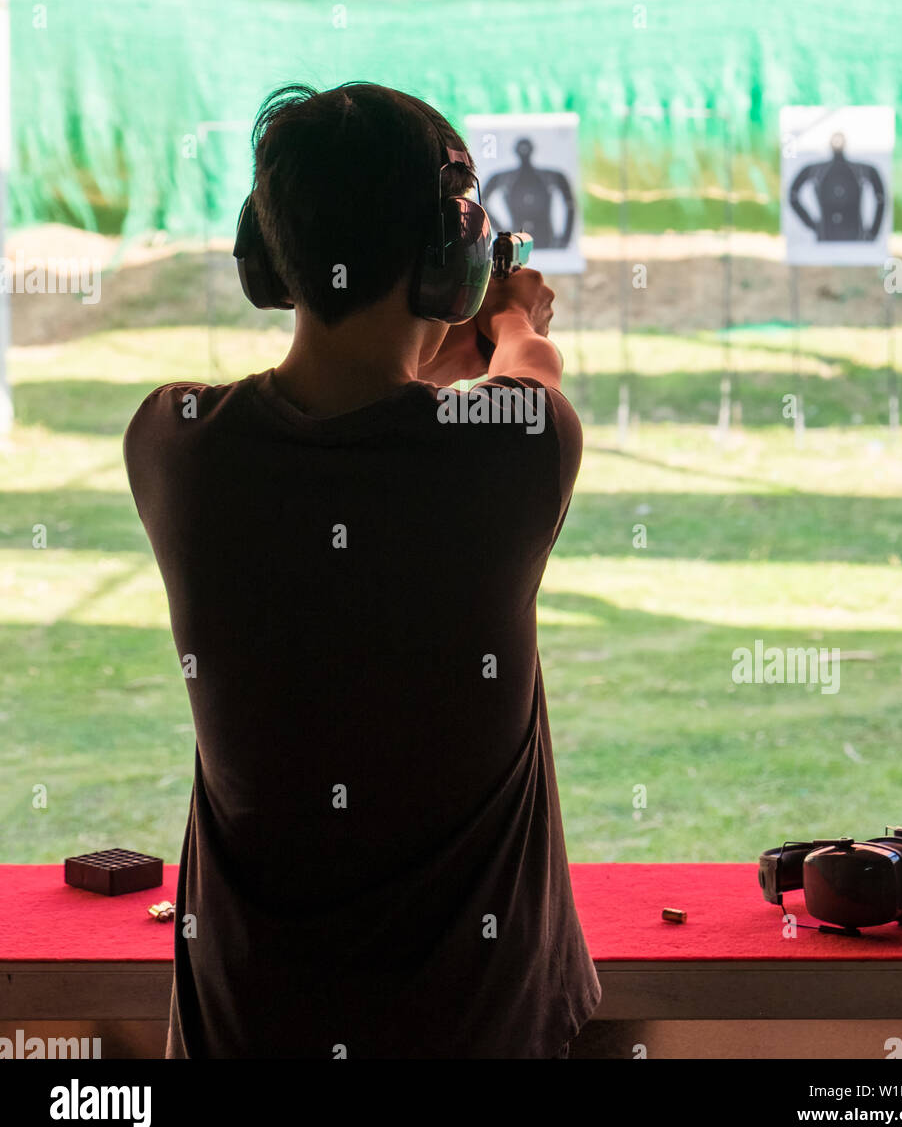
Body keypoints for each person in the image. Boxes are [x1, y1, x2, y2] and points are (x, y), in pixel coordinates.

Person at [123, 81, 601, 1059]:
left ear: (269, 248)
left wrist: (430, 348)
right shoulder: (520, 443)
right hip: (477, 1031)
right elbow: (530, 376)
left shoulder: (173, 442)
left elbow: (350, 426)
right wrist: (509, 319)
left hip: (249, 1026)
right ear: (450, 256)